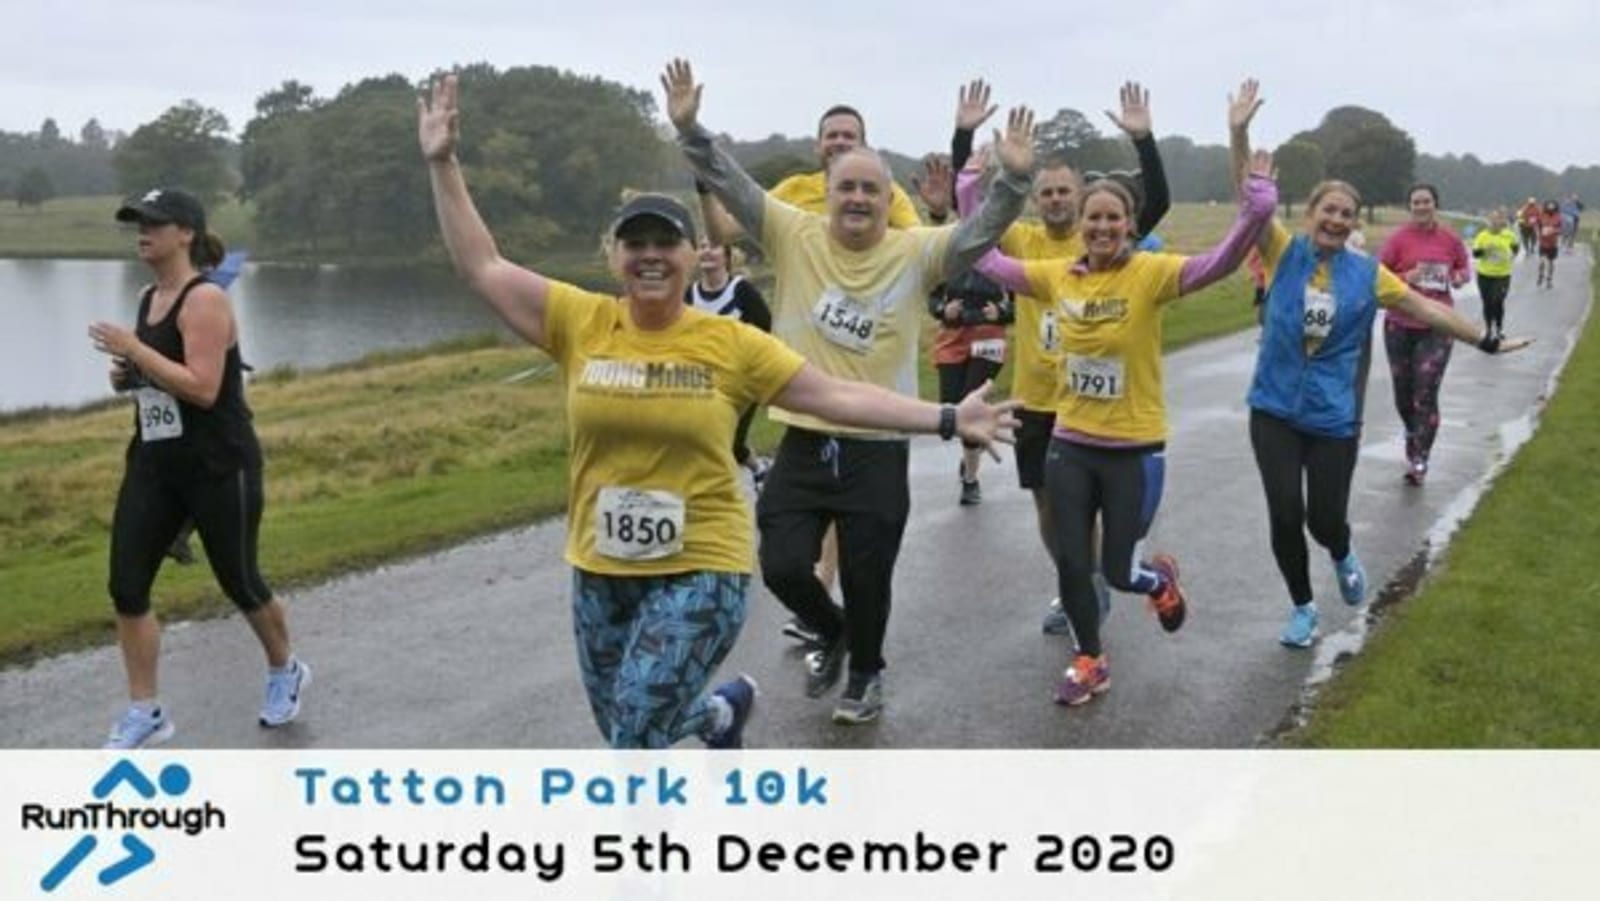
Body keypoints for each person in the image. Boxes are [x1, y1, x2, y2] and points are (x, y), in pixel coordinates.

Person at [421, 73, 1017, 747]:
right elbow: (482, 266)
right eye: (634, 244)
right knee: (624, 721)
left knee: (633, 739)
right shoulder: (580, 320)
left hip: (703, 560)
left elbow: (838, 393)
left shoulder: (731, 341)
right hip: (599, 565)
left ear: (692, 254)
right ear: (613, 255)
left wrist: (945, 418)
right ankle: (719, 715)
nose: (650, 257)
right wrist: (442, 163)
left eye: (665, 244)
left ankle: (845, 675)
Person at [665, 58, 1033, 724]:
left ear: (883, 197)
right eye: (846, 188)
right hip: (805, 436)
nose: (857, 198)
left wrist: (1014, 177)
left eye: (869, 188)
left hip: (879, 444)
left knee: (869, 575)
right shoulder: (791, 230)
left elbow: (981, 233)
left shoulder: (915, 251)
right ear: (827, 192)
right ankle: (831, 629)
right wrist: (691, 129)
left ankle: (866, 671)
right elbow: (730, 180)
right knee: (779, 563)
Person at [972, 94, 1277, 706]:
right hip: (1070, 444)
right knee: (1069, 561)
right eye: (1094, 220)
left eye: (1114, 219)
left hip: (1134, 449)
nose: (1103, 228)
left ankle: (1156, 579)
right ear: (1081, 227)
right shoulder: (1058, 275)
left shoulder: (1151, 275)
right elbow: (981, 253)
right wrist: (973, 183)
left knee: (1115, 570)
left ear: (1130, 226)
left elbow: (1220, 264)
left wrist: (1257, 208)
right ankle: (1091, 660)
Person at [1227, 81, 1530, 648]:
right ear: (1311, 213)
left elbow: (1427, 310)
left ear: (1353, 221)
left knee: (1323, 520)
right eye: (1329, 210)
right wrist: (1238, 132)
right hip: (1272, 409)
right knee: (1285, 516)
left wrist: (1486, 340)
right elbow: (1250, 202)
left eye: (1347, 213)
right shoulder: (1281, 251)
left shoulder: (1367, 274)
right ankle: (1302, 608)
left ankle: (1341, 553)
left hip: (1332, 418)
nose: (1337, 220)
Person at [698, 93, 953, 652]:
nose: (839, 144)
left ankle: (860, 657)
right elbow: (726, 228)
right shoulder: (791, 200)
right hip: (809, 399)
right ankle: (831, 617)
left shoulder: (892, 199)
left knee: (863, 549)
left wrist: (939, 214)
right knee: (789, 551)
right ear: (819, 148)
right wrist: (701, 168)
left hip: (876, 400)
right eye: (831, 137)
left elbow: (918, 255)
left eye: (850, 136)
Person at [87, 188, 308, 749]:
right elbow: (158, 379)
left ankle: (285, 670)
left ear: (185, 233)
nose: (143, 232)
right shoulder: (147, 296)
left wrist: (136, 352)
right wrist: (126, 376)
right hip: (155, 463)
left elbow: (204, 389)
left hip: (218, 463)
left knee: (240, 580)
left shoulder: (204, 299)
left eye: (154, 223)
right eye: (137, 222)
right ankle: (146, 711)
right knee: (126, 586)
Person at [954, 81, 1172, 638]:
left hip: (1096, 412)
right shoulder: (1024, 242)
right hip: (1036, 399)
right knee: (1050, 513)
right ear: (1035, 198)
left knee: (1089, 512)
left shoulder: (1103, 240)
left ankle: (1099, 578)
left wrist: (1143, 142)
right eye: (1045, 192)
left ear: (1081, 198)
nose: (1054, 200)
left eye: (1063, 192)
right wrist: (967, 146)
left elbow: (1159, 201)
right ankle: (1076, 581)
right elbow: (974, 231)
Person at [1378, 182, 1471, 486]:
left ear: (1435, 204)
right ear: (1410, 207)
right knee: (1404, 395)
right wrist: (1407, 277)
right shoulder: (1398, 239)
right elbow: (1378, 275)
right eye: (1416, 202)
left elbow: (1464, 269)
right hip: (1400, 324)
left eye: (1426, 201)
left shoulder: (1450, 239)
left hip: (1438, 325)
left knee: (1426, 392)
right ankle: (1412, 433)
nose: (1421, 206)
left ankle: (1420, 458)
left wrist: (1457, 277)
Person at [928, 254, 1014, 506]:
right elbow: (932, 297)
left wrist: (1002, 311)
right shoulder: (950, 253)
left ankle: (970, 479)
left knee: (971, 404)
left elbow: (1024, 303)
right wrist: (943, 309)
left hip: (989, 337)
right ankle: (970, 453)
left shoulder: (1005, 255)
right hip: (953, 338)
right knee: (952, 407)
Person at [687, 240, 774, 485]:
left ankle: (720, 494)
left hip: (743, 381)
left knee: (729, 440)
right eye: (702, 246)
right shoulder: (689, 294)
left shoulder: (741, 291)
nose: (706, 251)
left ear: (726, 257)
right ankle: (759, 470)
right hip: (703, 383)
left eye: (713, 246)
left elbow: (767, 330)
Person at [1471, 208, 1519, 338]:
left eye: (1498, 219)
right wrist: (1484, 250)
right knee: (1487, 302)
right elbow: (1475, 254)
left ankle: (1499, 327)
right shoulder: (1482, 236)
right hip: (1484, 274)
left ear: (1502, 221)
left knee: (1497, 301)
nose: (1495, 222)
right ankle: (1488, 328)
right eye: (1492, 219)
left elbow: (1515, 248)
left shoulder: (1509, 235)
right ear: (1488, 221)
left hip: (1502, 275)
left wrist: (1511, 255)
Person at [1536, 199, 1563, 288]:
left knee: (1551, 262)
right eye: (1549, 207)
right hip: (1543, 242)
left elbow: (1561, 229)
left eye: (1552, 207)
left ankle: (1549, 279)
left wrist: (1553, 230)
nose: (1551, 208)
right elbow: (1537, 226)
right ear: (1546, 207)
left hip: (1553, 243)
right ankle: (1540, 275)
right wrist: (1539, 233)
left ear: (1555, 208)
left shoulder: (1558, 217)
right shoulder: (1542, 216)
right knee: (1542, 261)